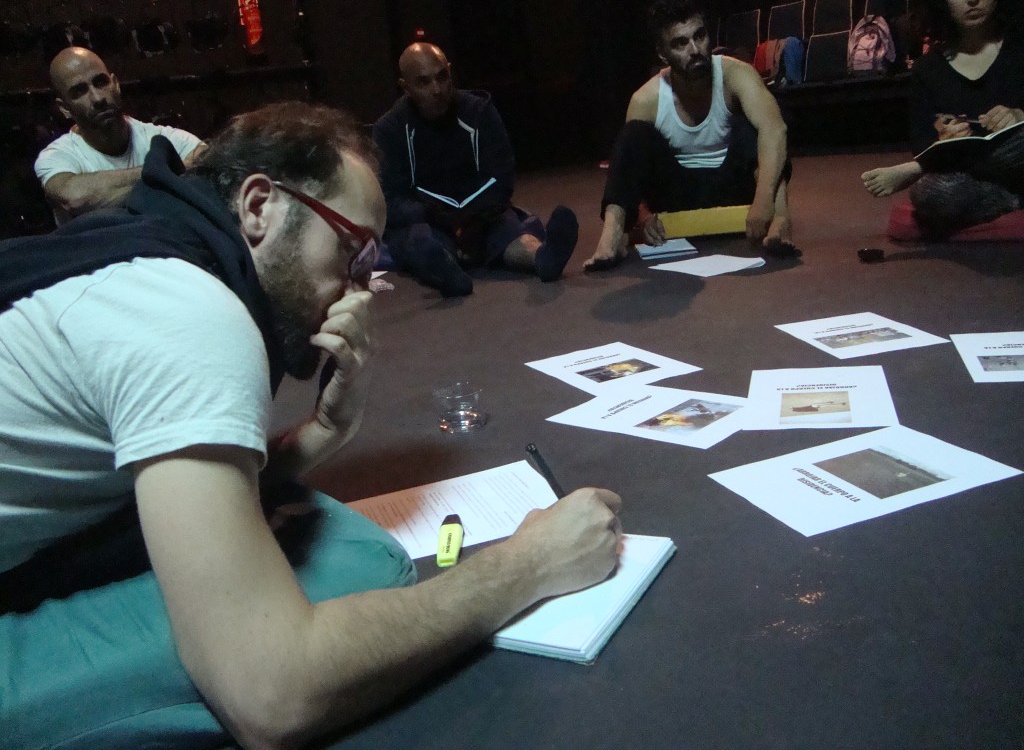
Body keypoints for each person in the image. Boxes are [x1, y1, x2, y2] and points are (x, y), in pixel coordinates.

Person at [0, 101, 622, 750]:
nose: (358, 291)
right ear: (259, 207)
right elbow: (271, 696)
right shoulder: (191, 313)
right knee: (359, 569)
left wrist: (323, 432)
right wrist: (528, 565)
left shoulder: (148, 246)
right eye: (352, 251)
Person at [584, 0, 798, 271]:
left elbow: (775, 130)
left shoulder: (736, 74)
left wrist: (763, 201)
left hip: (732, 185)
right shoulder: (646, 99)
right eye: (680, 43)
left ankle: (780, 223)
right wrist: (644, 217)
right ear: (663, 54)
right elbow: (632, 168)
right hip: (677, 193)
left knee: (757, 127)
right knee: (633, 134)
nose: (695, 49)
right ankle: (611, 237)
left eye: (699, 36)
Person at [373, 42, 579, 297]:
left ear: (450, 72)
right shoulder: (389, 129)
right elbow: (390, 201)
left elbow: (502, 177)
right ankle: (446, 272)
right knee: (420, 239)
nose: (437, 89)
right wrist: (435, 215)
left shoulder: (478, 111)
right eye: (424, 82)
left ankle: (542, 258)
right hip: (430, 220)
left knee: (510, 230)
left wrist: (471, 218)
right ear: (405, 87)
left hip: (482, 215)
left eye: (442, 77)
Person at [861, 0, 1024, 236]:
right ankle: (1013, 200)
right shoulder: (928, 70)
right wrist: (943, 140)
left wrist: (1019, 115)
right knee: (928, 193)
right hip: (976, 180)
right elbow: (921, 143)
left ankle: (917, 169)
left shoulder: (1019, 48)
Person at [34, 46, 206, 225]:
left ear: (115, 84)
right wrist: (171, 171)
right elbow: (75, 198)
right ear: (64, 108)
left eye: (101, 82)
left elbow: (208, 163)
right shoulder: (57, 156)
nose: (97, 98)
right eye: (80, 91)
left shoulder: (164, 137)